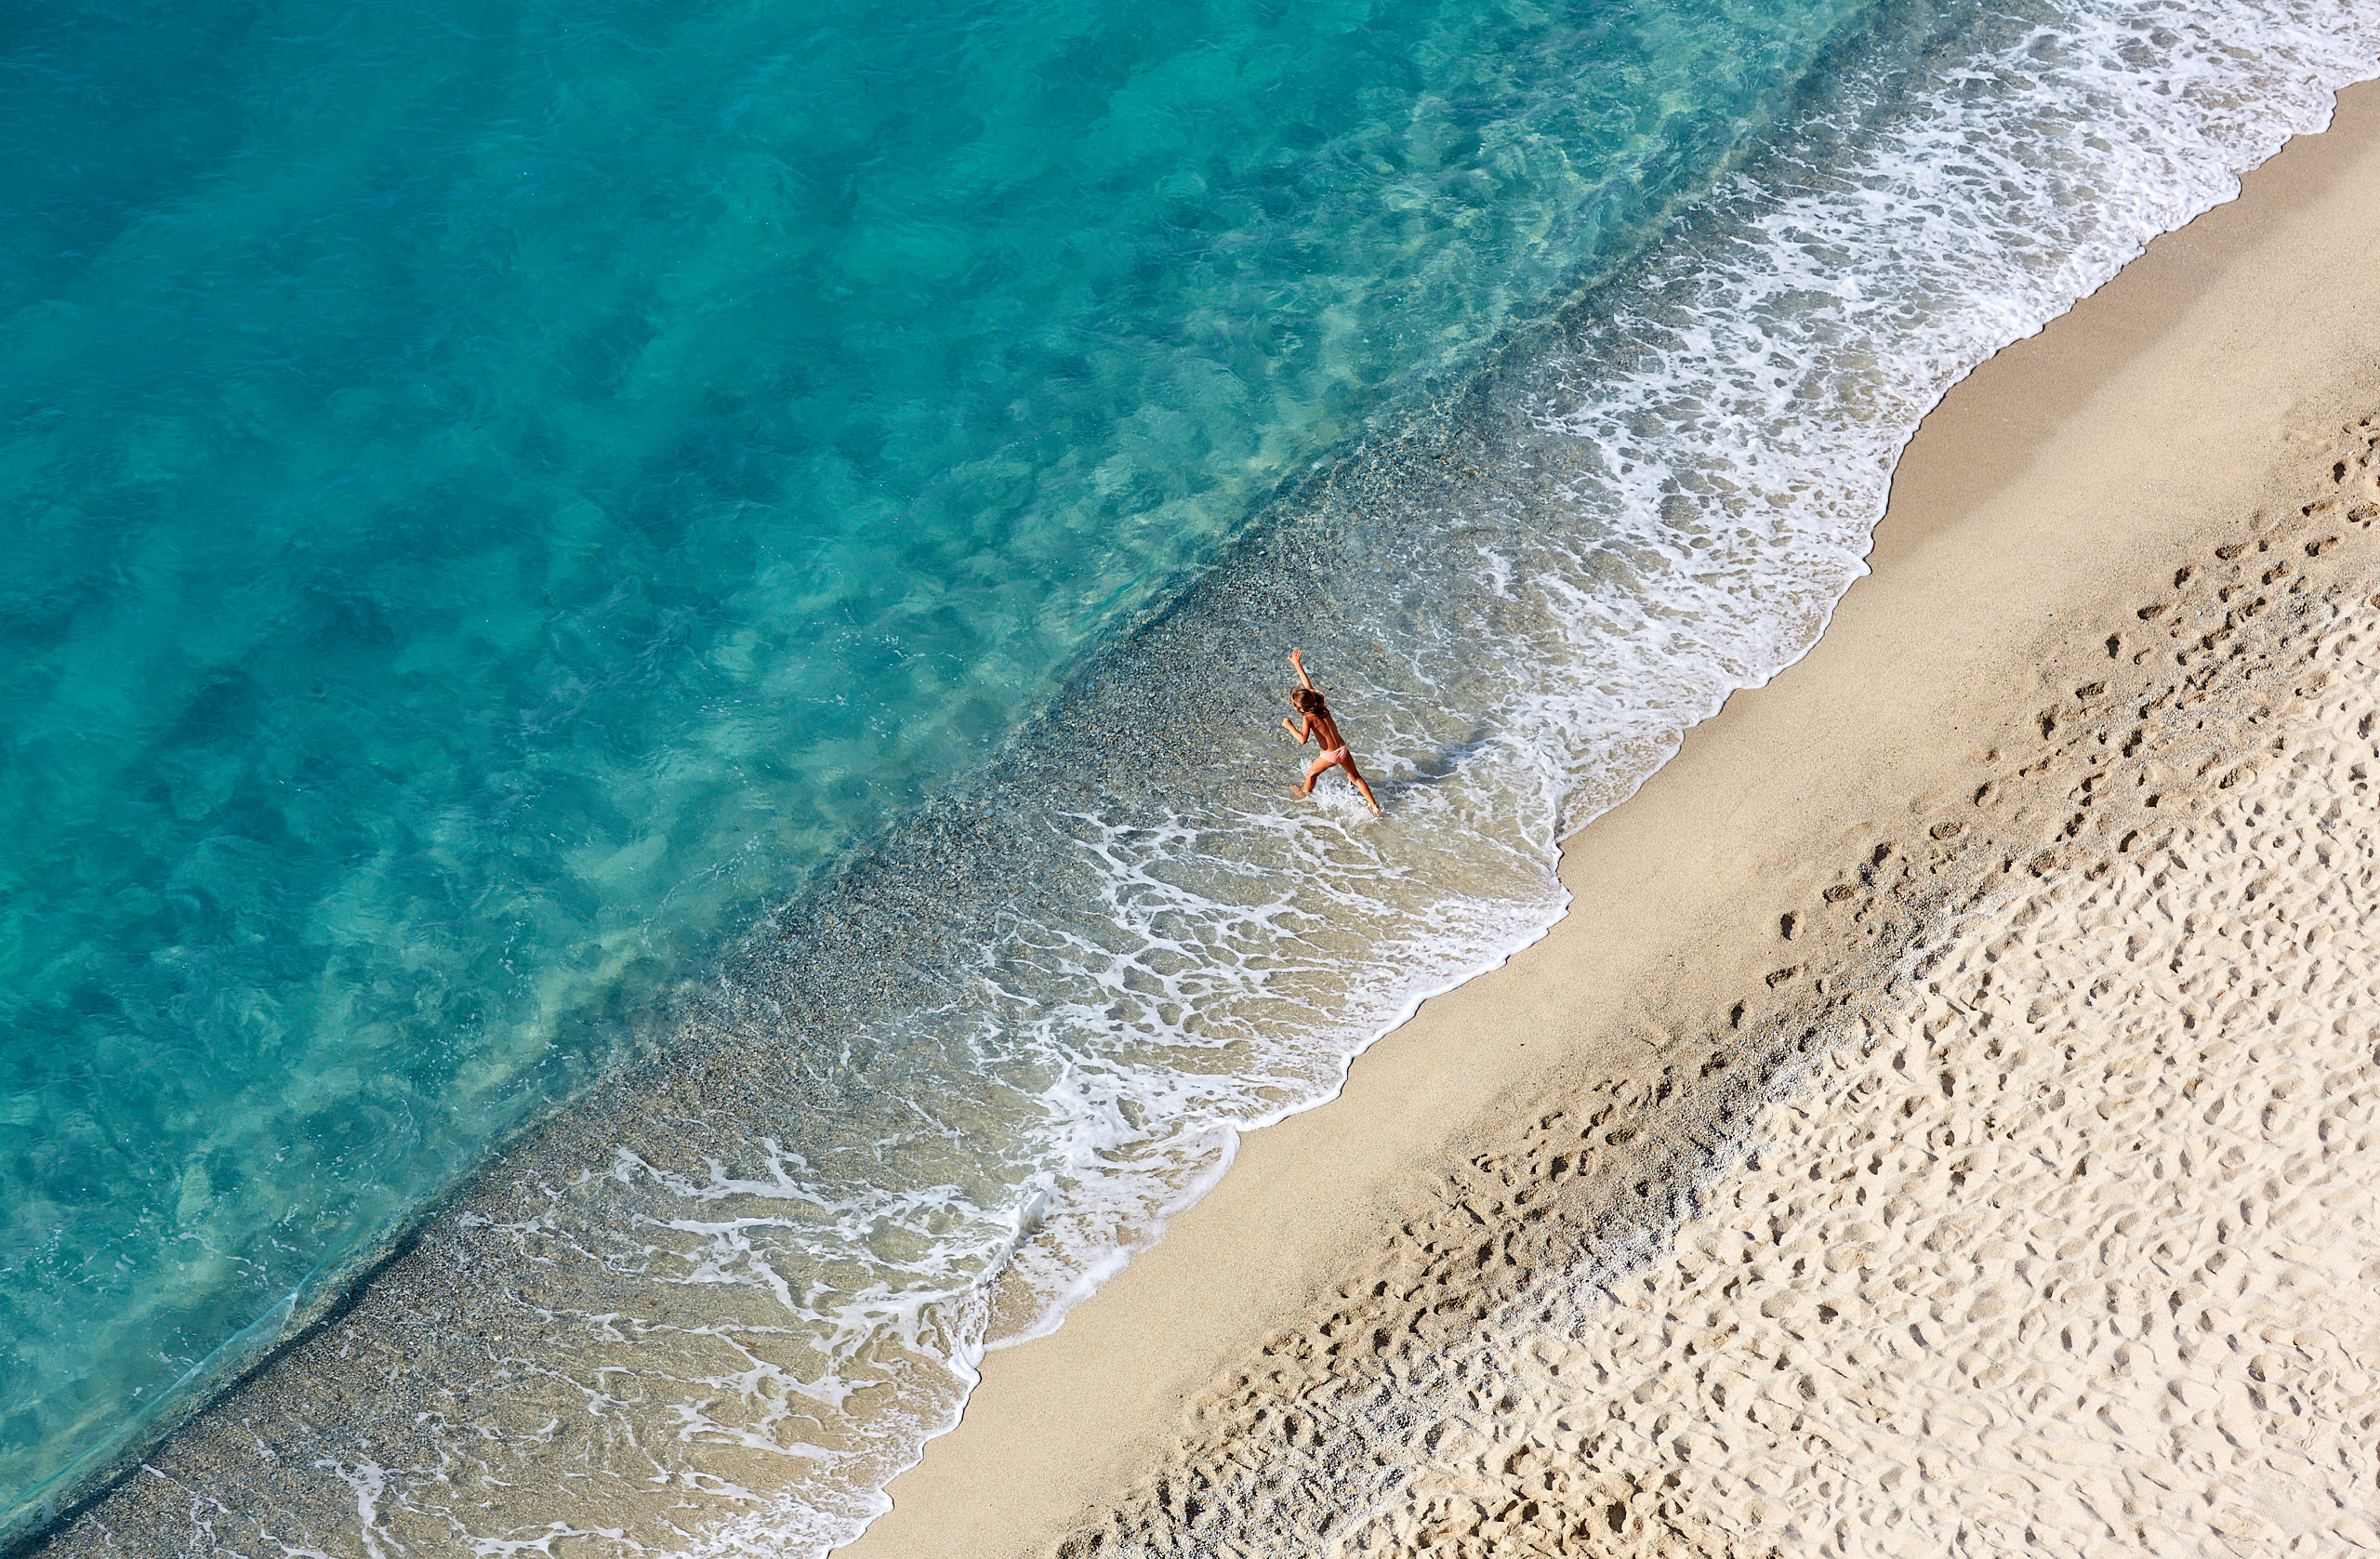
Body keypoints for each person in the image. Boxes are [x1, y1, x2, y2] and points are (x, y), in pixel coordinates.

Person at [1281, 648, 1382, 816]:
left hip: (1330, 755)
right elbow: (1308, 686)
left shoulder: (1308, 718)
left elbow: (1302, 740)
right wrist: (1297, 664)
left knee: (1312, 775)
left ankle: (1305, 796)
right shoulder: (1319, 704)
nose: (1293, 706)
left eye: (1294, 705)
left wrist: (1289, 726)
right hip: (1343, 749)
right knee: (1356, 778)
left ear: (1301, 709)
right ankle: (1374, 806)